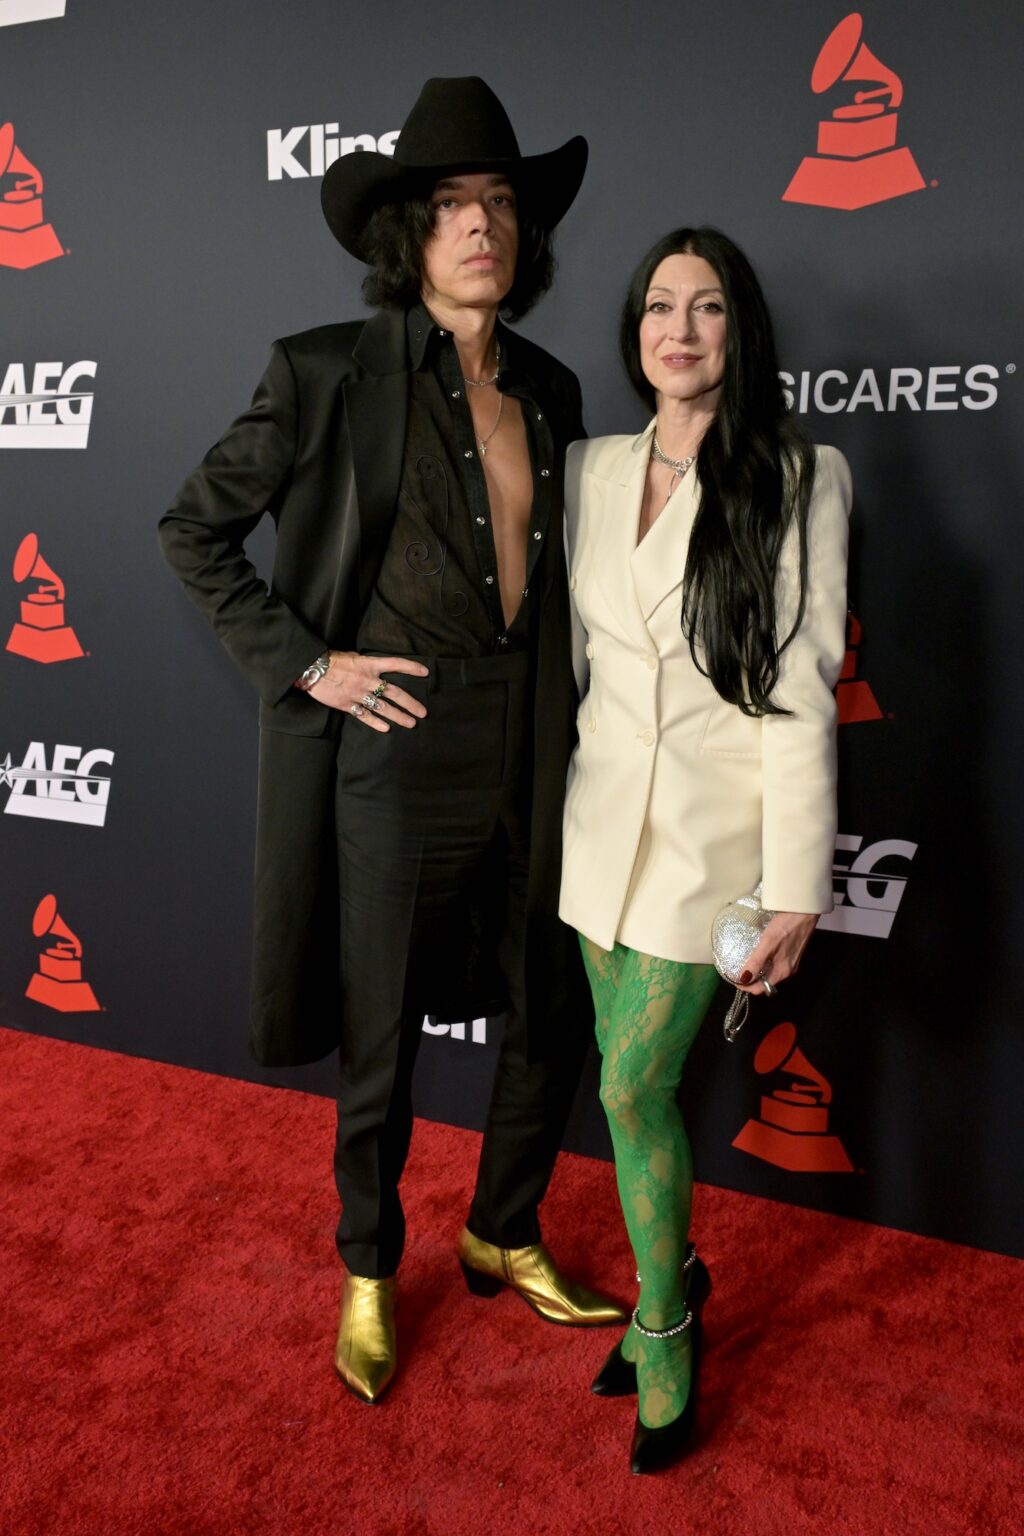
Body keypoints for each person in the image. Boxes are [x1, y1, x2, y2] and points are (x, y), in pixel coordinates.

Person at [158, 76, 625, 1407]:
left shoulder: (552, 384)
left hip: (535, 741)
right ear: (407, 236)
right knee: (384, 1034)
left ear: (526, 238)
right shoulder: (320, 372)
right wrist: (311, 663)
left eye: (501, 206)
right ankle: (370, 1267)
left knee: (547, 1010)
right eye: (450, 206)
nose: (482, 226)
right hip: (393, 748)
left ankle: (506, 1226)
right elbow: (191, 530)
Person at [560, 227, 851, 1472]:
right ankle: (664, 1280)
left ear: (740, 331)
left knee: (634, 1090)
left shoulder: (797, 473)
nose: (680, 329)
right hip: (593, 834)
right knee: (629, 1099)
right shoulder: (586, 466)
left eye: (709, 308)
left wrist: (792, 887)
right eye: (659, 306)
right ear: (634, 329)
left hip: (713, 853)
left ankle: (667, 1325)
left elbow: (804, 690)